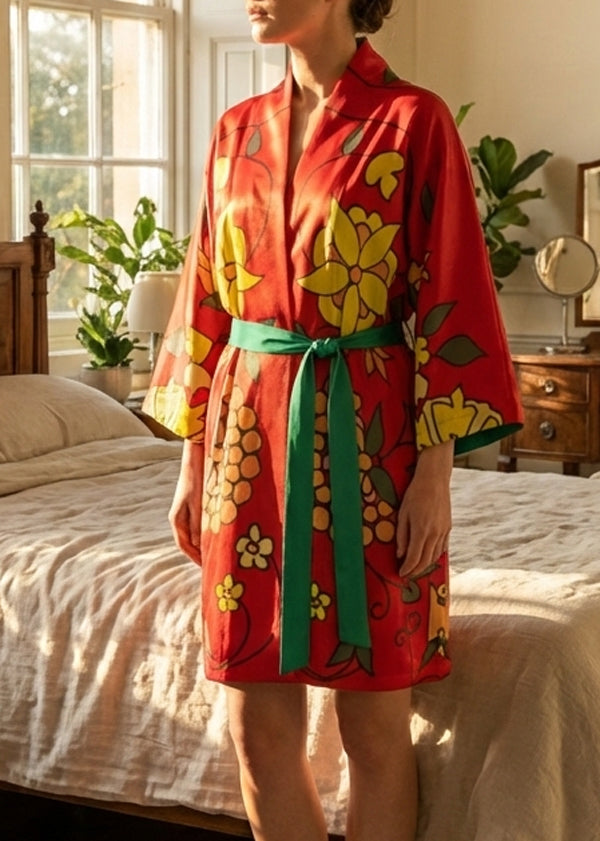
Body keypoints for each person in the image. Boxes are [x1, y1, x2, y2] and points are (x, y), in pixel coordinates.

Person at [143, 1, 523, 839]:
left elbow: (451, 296)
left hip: (371, 443)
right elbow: (205, 301)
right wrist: (191, 465)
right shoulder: (235, 131)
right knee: (254, 724)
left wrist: (435, 474)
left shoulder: (412, 121)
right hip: (246, 449)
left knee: (372, 726)